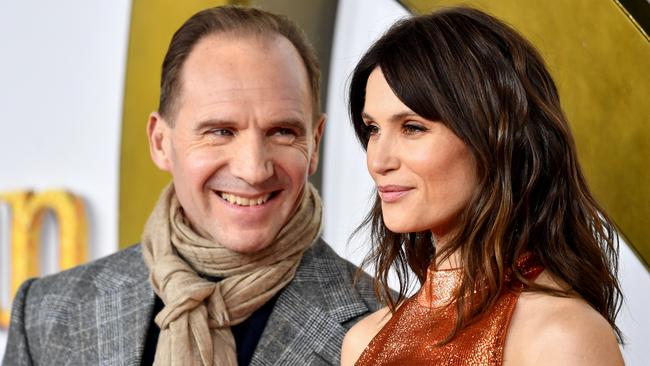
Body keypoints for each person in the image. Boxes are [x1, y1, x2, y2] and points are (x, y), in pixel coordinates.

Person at [3, 6, 381, 366]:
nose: (253, 169)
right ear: (160, 142)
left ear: (315, 143)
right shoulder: (47, 315)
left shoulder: (392, 329)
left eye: (282, 132)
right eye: (220, 131)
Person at [340, 7, 624, 366]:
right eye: (373, 129)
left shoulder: (559, 338)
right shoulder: (362, 341)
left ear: (493, 138)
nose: (378, 161)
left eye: (412, 127)